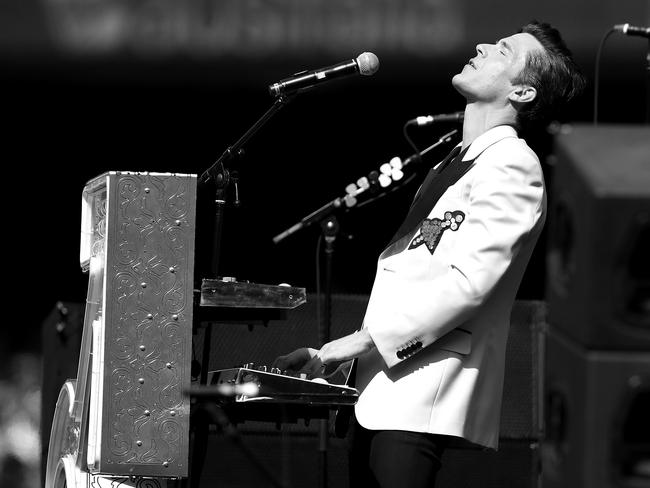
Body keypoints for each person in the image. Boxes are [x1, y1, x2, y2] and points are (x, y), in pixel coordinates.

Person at [274, 20, 585, 488]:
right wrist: (333, 358)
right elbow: (417, 276)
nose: (482, 45)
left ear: (522, 94)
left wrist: (358, 343)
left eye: (502, 50)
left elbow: (469, 284)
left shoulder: (514, 165)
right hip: (378, 393)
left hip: (421, 397)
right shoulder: (452, 162)